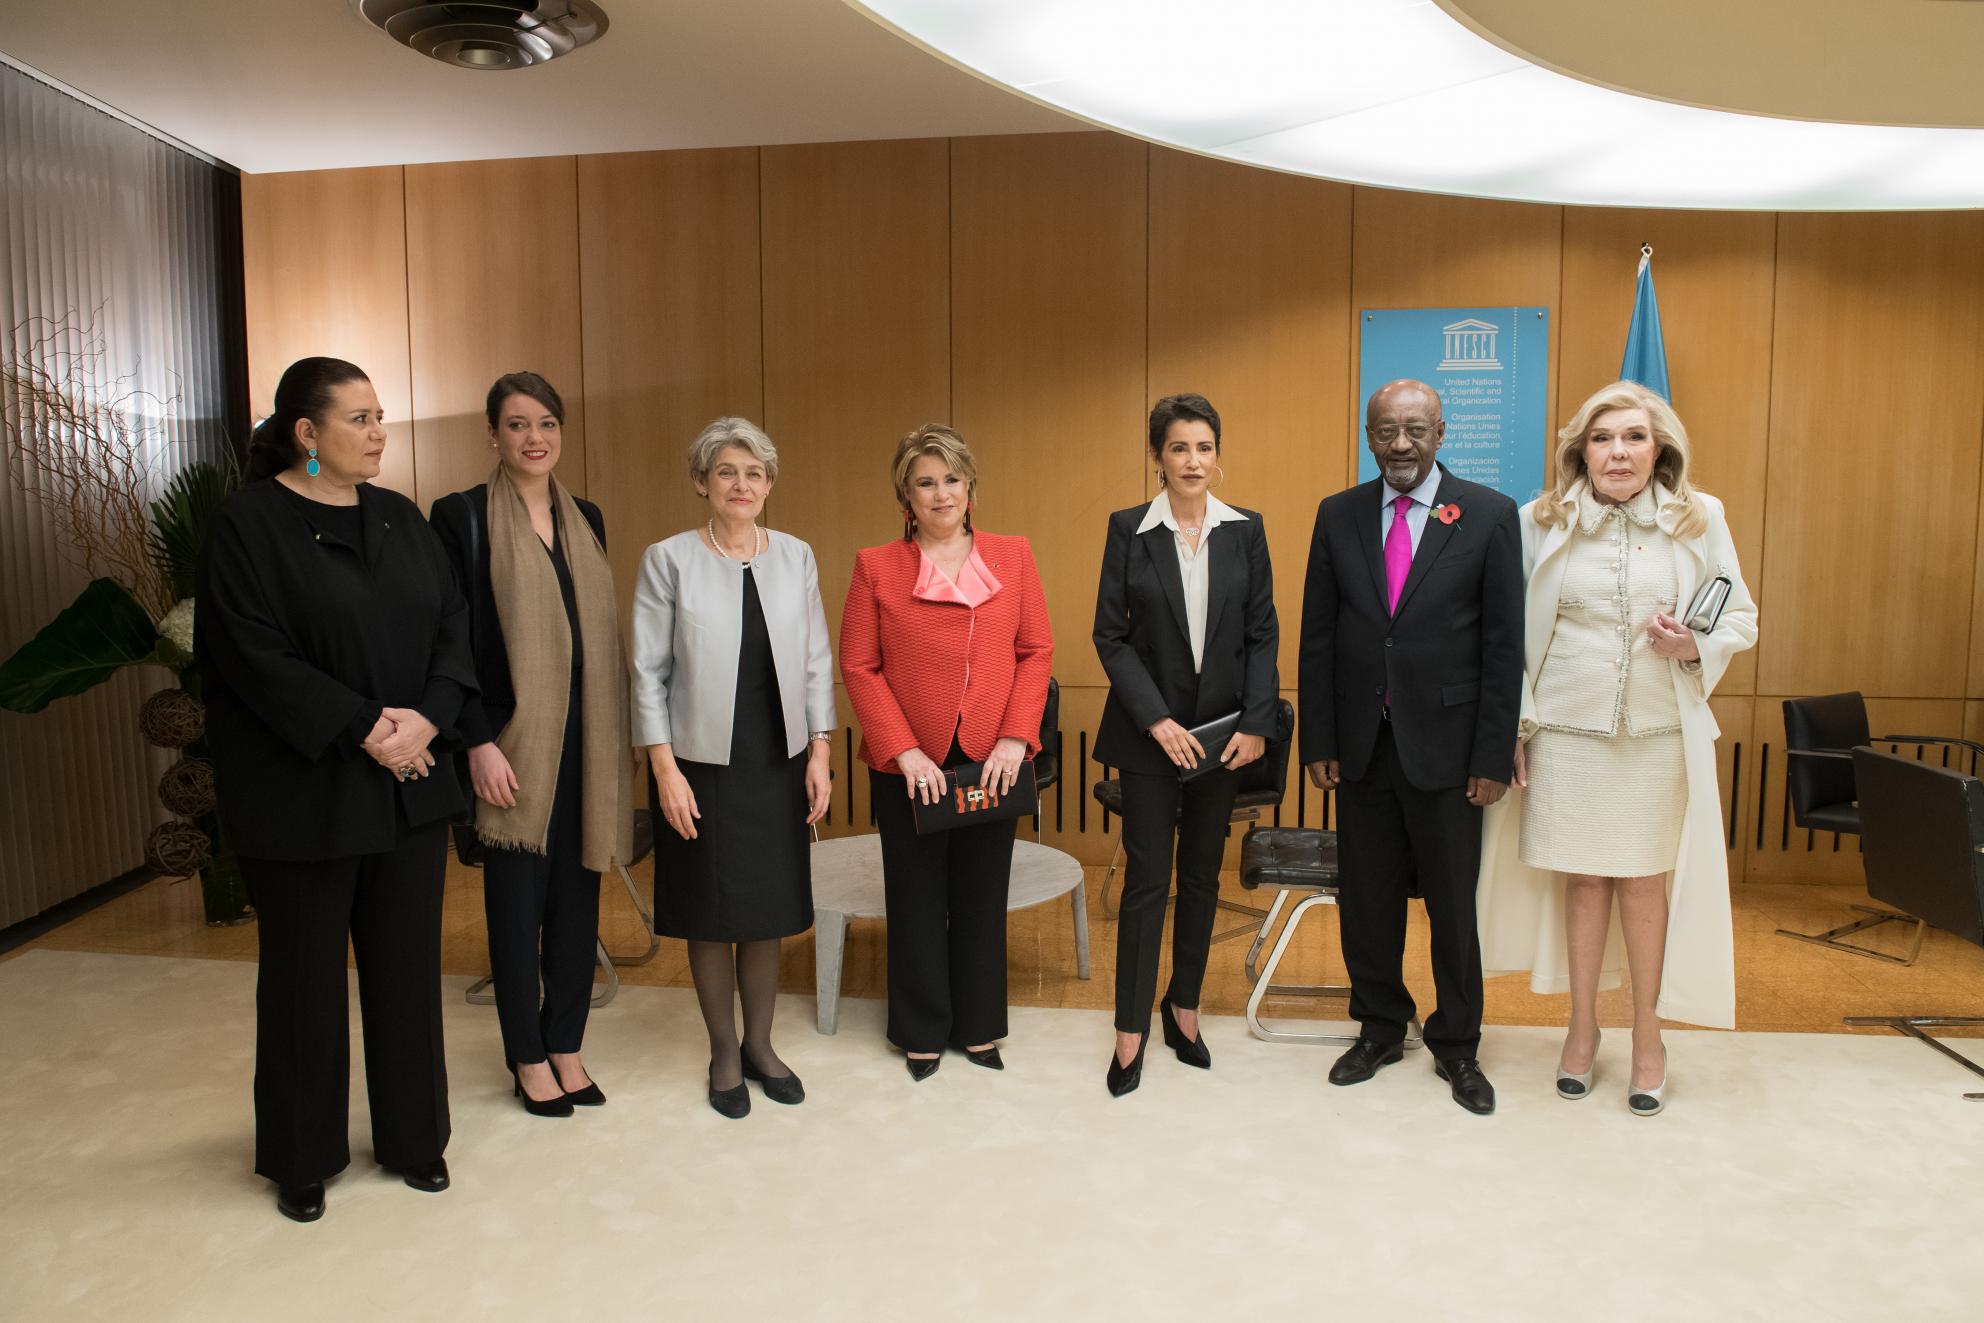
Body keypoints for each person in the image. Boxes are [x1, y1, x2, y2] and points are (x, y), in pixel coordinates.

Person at [196, 356, 475, 1222]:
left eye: (381, 414)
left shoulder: (400, 516)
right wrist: (365, 725)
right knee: (303, 984)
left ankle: (414, 1138)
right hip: (304, 791)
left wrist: (424, 721)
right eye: (360, 418)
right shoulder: (249, 523)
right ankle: (302, 1155)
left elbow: (453, 632)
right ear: (306, 433)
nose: (379, 430)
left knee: (404, 973)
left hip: (409, 787)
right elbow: (251, 656)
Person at [1477, 381, 1757, 1116]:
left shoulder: (1701, 519)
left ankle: (1647, 1036)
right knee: (1587, 880)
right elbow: (1510, 636)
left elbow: (1740, 615)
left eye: (1633, 436)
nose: (1618, 452)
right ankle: (1580, 1028)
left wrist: (1694, 642)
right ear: (1581, 450)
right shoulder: (1540, 520)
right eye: (1602, 439)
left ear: (1659, 446)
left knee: (1642, 882)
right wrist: (1515, 724)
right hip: (1566, 729)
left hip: (1657, 729)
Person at [1298, 378, 1522, 1114]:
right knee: (1368, 902)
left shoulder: (1488, 515)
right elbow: (1320, 637)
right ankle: (1379, 1027)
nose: (1400, 443)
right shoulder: (1339, 515)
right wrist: (1320, 739)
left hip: (1452, 753)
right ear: (1369, 434)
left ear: (1441, 431)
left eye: (1415, 429)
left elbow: (1501, 645)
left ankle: (1457, 1044)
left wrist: (1492, 758)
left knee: (1454, 908)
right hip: (1362, 747)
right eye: (1386, 430)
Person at [430, 372, 632, 1120]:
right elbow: (450, 639)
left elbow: (596, 635)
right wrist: (476, 740)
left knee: (578, 898)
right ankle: (525, 1054)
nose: (534, 438)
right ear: (493, 435)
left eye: (546, 422)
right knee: (517, 908)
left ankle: (567, 1043)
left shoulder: (588, 517)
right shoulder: (460, 517)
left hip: (589, 736)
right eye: (517, 425)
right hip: (511, 740)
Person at [631, 418, 835, 1118]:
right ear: (701, 482)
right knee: (712, 914)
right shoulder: (669, 559)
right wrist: (663, 768)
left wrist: (822, 750)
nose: (741, 484)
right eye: (726, 471)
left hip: (776, 759)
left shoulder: (797, 557)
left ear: (770, 484)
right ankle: (723, 1050)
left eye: (754, 472)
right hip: (698, 763)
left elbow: (815, 660)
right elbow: (647, 671)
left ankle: (762, 1043)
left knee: (766, 908)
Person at [839, 424, 1053, 1081]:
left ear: (971, 487)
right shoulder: (876, 566)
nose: (941, 493)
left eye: (952, 479)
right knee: (916, 899)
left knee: (983, 896)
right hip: (911, 766)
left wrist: (1017, 738)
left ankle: (980, 1026)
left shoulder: (1013, 555)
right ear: (905, 494)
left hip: (994, 758)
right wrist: (903, 752)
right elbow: (859, 665)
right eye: (926, 481)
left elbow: (1035, 650)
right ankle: (921, 1028)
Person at [1091, 393, 1279, 1097]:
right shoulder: (1128, 530)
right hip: (1150, 741)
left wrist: (1257, 723)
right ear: (1158, 456)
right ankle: (1130, 1028)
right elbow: (1109, 633)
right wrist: (1156, 720)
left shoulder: (1246, 530)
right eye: (1178, 448)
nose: (1192, 460)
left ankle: (1185, 1007)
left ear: (1217, 453)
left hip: (1223, 738)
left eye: (1203, 446)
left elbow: (1263, 632)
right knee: (1147, 882)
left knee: (1202, 875)